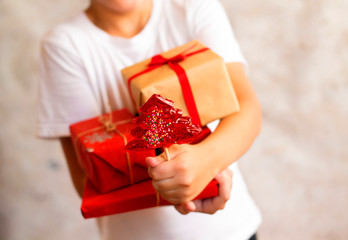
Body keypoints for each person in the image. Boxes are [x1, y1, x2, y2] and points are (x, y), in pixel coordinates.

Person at [37, 0, 262, 239]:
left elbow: (247, 108)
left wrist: (209, 162)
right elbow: (87, 178)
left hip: (233, 230)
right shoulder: (63, 45)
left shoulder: (194, 8)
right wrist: (190, 178)